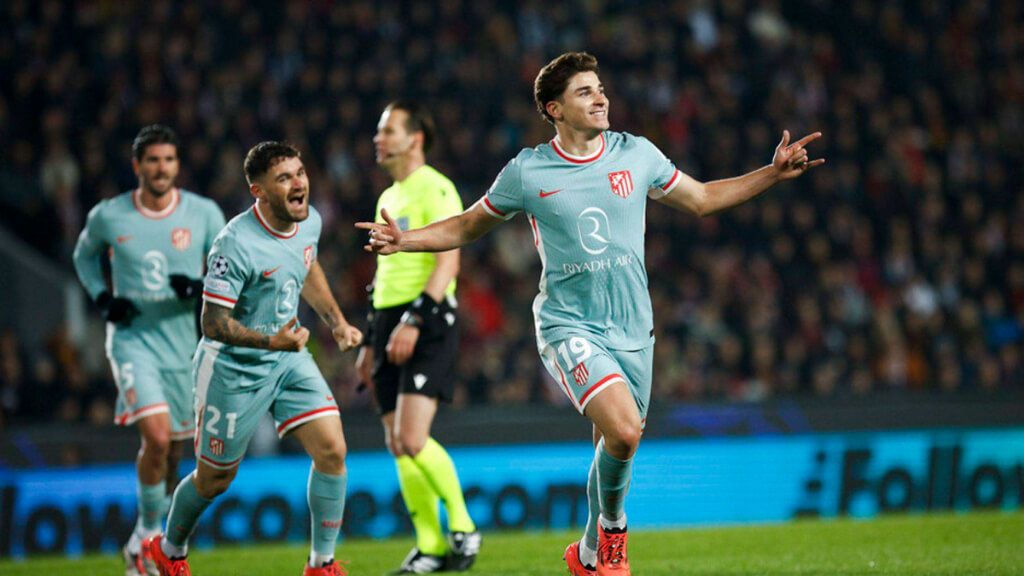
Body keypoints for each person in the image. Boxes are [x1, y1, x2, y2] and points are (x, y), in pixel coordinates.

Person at [357, 52, 824, 576]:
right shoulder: (528, 170)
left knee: (611, 446)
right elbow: (468, 227)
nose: (601, 97)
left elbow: (703, 199)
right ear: (554, 108)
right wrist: (407, 241)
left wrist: (772, 173)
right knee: (625, 432)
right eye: (585, 92)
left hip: (634, 329)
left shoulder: (637, 154)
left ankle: (585, 554)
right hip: (567, 325)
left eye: (600, 88)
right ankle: (615, 533)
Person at [142, 142, 363, 576]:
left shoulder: (309, 221)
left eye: (300, 173)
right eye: (284, 178)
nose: (299, 183)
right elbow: (213, 324)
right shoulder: (235, 244)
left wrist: (336, 321)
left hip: (287, 357)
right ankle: (168, 550)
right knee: (215, 480)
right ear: (257, 191)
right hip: (233, 368)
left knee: (333, 450)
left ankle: (321, 564)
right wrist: (269, 343)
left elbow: (306, 265)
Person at [72, 124, 226, 576]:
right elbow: (83, 258)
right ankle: (146, 537)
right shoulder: (109, 215)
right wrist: (102, 297)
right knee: (156, 437)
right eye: (153, 161)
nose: (162, 169)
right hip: (131, 340)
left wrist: (199, 286)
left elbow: (228, 267)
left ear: (178, 166)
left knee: (176, 450)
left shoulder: (203, 213)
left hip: (183, 344)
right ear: (137, 165)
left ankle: (150, 538)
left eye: (169, 160)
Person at [355, 100, 480, 574]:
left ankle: (464, 527)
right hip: (387, 320)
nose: (378, 139)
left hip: (425, 318)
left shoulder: (437, 187)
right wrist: (371, 338)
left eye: (388, 131)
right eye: (377, 132)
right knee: (396, 442)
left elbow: (449, 260)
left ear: (416, 138)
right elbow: (383, 274)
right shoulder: (389, 195)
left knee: (411, 436)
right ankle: (430, 547)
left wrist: (414, 319)